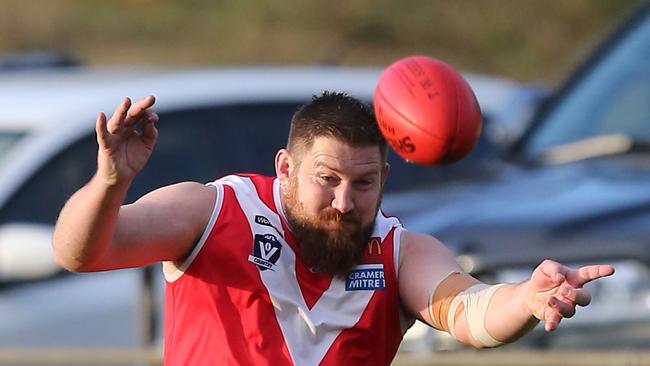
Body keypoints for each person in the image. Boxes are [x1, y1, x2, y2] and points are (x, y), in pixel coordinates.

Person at [53, 92, 614, 365]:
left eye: (364, 184)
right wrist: (109, 182)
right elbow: (79, 252)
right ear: (285, 168)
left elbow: (468, 311)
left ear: (384, 177)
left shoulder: (398, 251)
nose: (346, 202)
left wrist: (525, 297)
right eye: (328, 179)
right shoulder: (212, 211)